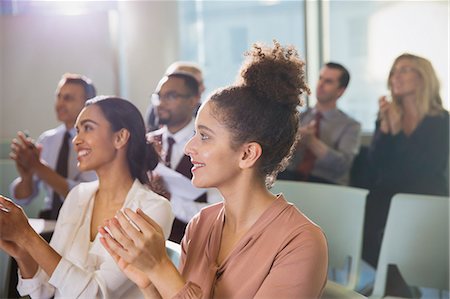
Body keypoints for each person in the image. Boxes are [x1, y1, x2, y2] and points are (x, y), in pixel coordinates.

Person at [99, 41, 328, 298]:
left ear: (247, 154)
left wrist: (161, 269)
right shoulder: (201, 224)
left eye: (204, 137)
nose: (189, 147)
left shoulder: (300, 242)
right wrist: (149, 283)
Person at [0, 97, 174, 298]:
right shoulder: (78, 195)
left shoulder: (153, 208)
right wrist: (23, 254)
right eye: (77, 130)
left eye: (88, 128)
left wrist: (27, 237)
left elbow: (96, 294)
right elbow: (44, 290)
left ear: (120, 138)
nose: (76, 140)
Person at [362, 53, 449, 268]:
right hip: (388, 195)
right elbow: (376, 165)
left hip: (425, 196)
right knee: (361, 221)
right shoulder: (387, 115)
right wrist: (384, 128)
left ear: (422, 77)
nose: (395, 77)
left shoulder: (441, 120)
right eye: (394, 72)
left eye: (404, 70)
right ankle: (394, 285)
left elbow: (424, 167)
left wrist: (398, 130)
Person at [9, 73, 97, 220]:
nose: (60, 103)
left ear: (88, 103)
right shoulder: (47, 140)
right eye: (59, 96)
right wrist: (27, 176)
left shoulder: (97, 141)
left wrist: (37, 166)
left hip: (83, 219)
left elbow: (82, 196)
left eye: (68, 98)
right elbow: (22, 198)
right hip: (50, 218)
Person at [147, 71, 221, 243]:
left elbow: (217, 212)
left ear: (193, 100)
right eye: (158, 96)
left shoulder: (211, 145)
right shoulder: (147, 142)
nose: (161, 103)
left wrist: (169, 199)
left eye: (171, 96)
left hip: (191, 248)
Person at [279, 62, 361, 185]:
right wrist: (293, 140)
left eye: (328, 81)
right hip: (292, 180)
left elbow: (342, 166)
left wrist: (312, 142)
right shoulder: (297, 117)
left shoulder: (350, 126)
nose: (320, 85)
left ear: (340, 91)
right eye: (320, 78)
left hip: (328, 186)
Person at [145, 61, 205, 132]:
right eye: (199, 83)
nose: (203, 87)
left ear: (192, 101)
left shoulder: (203, 113)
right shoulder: (156, 112)